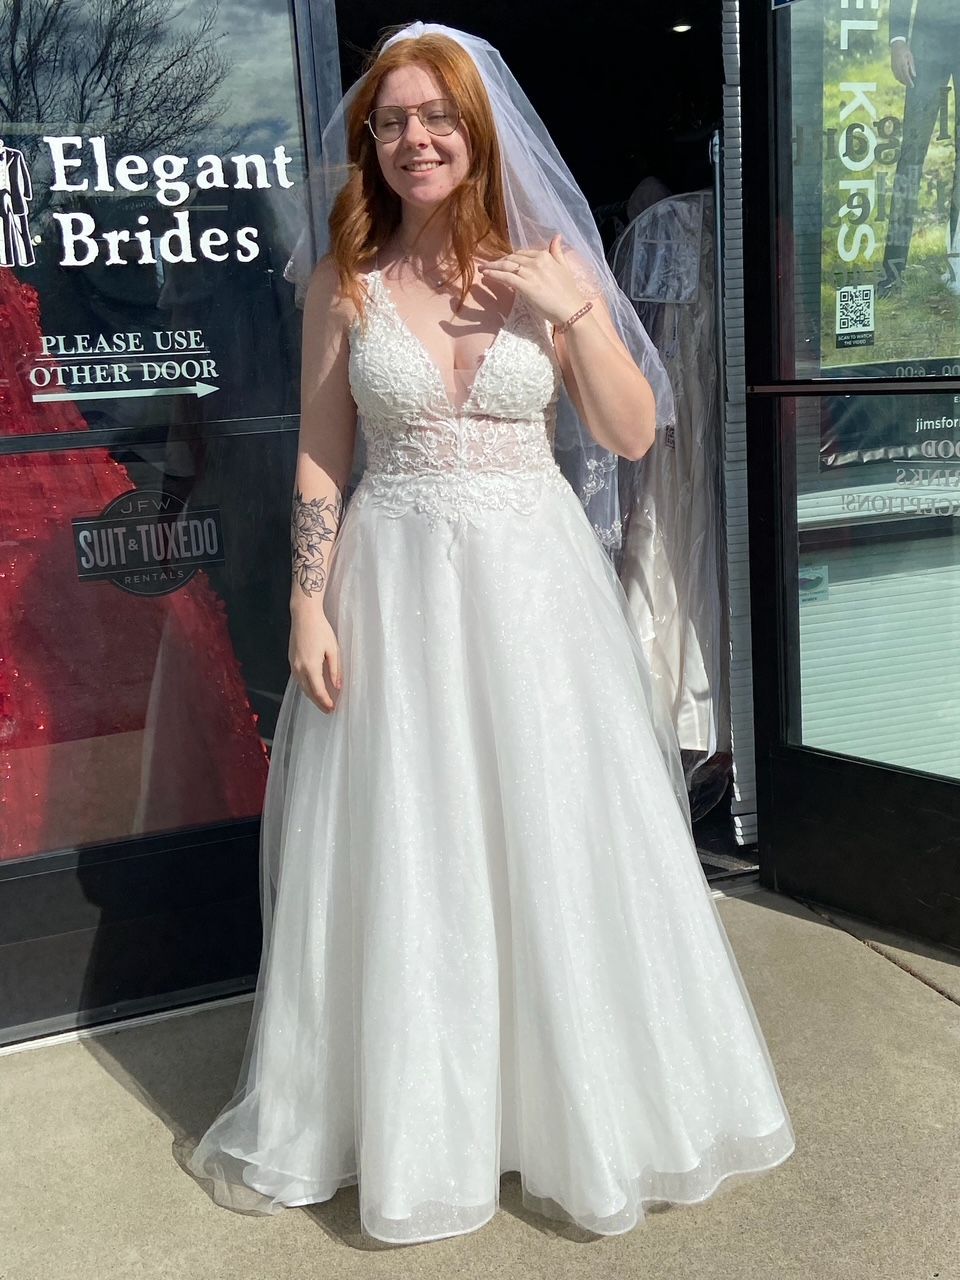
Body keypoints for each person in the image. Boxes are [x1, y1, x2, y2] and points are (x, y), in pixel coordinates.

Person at [179, 22, 795, 1245]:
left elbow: (630, 432)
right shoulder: (346, 282)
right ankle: (425, 1116)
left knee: (553, 836)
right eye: (393, 121)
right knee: (416, 844)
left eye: (437, 117)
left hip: (533, 591)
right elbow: (322, 454)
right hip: (394, 584)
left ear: (477, 130)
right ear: (372, 140)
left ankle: (572, 1102)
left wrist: (576, 314)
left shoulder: (546, 262)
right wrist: (304, 601)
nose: (416, 139)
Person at [879, 0, 960, 295]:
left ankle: (957, 269)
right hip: (928, 40)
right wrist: (898, 41)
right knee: (911, 156)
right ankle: (892, 272)